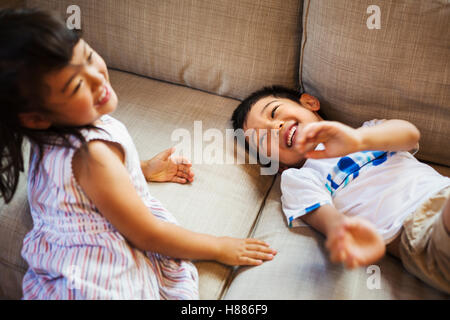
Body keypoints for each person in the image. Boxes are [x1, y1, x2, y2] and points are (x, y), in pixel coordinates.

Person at [0, 8, 276, 299]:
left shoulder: (47, 138)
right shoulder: (93, 155)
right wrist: (220, 246)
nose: (97, 79)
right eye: (77, 85)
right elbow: (147, 234)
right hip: (103, 282)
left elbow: (86, 188)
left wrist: (142, 169)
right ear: (36, 117)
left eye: (89, 57)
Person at [231, 85, 450, 294]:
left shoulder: (368, 131)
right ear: (278, 165)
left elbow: (410, 134)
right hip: (420, 230)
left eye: (274, 113)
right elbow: (325, 216)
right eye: (263, 138)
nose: (274, 128)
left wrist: (358, 140)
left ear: (309, 103)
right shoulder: (299, 176)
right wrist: (342, 232)